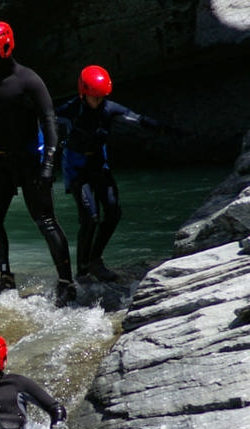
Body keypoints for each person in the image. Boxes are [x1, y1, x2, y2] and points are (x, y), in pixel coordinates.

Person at [0, 21, 76, 306]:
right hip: (1, 162)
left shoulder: (29, 81)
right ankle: (3, 276)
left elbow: (50, 124)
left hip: (30, 161)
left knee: (46, 221)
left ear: (4, 49)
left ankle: (66, 281)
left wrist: (49, 165)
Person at [56, 65, 179, 282]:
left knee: (113, 211)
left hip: (97, 163)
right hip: (76, 167)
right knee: (90, 218)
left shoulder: (109, 109)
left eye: (101, 97)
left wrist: (163, 129)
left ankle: (95, 260)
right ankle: (82, 271)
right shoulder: (70, 109)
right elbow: (46, 122)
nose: (98, 101)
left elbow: (138, 120)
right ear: (83, 95)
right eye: (94, 97)